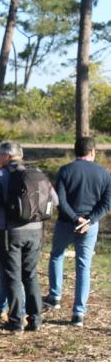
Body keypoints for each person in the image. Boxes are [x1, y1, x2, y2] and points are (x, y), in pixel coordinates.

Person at [0, 141, 57, 333]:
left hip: (11, 232)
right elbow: (54, 200)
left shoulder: (0, 175)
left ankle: (16, 322)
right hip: (36, 231)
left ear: (7, 156)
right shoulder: (37, 172)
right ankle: (36, 320)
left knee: (13, 277)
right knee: (30, 276)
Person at [43, 136, 111, 327]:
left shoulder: (65, 170)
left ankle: (55, 297)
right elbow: (106, 204)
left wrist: (75, 218)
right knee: (83, 266)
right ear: (93, 152)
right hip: (90, 226)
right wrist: (90, 220)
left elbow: (61, 201)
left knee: (57, 255)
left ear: (75, 152)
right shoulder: (105, 174)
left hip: (66, 222)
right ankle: (78, 313)